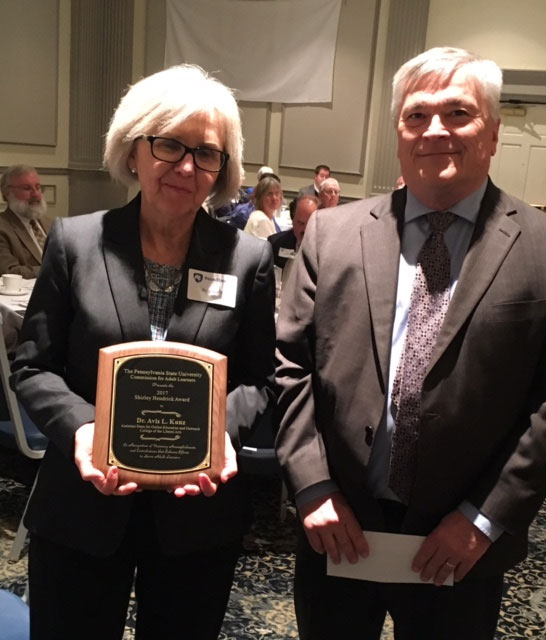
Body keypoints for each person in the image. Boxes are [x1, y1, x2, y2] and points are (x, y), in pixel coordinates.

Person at [275, 47, 546, 640]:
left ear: (493, 134)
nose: (434, 130)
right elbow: (290, 366)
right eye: (416, 115)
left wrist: (484, 516)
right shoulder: (332, 234)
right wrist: (313, 485)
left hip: (460, 541)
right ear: (398, 133)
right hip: (340, 525)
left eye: (457, 113)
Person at [11, 64, 276, 640]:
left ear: (221, 171)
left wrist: (216, 432)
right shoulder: (76, 242)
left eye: (207, 153)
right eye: (169, 144)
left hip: (196, 514)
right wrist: (85, 430)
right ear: (134, 150)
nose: (187, 166)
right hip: (82, 505)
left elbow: (261, 378)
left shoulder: (247, 259)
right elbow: (32, 366)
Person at [0, 164, 53, 278]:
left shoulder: (49, 224)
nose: (36, 194)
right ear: (7, 193)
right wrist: (54, 270)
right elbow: (10, 272)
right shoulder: (2, 227)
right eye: (27, 188)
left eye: (38, 187)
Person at [268, 194, 319, 286]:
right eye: (300, 223)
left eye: (310, 223)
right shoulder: (276, 243)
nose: (305, 229)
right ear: (292, 220)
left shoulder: (326, 249)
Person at [243, 175, 283, 239]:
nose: (274, 198)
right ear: (260, 197)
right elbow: (270, 248)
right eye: (269, 194)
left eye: (277, 193)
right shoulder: (261, 220)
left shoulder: (264, 216)